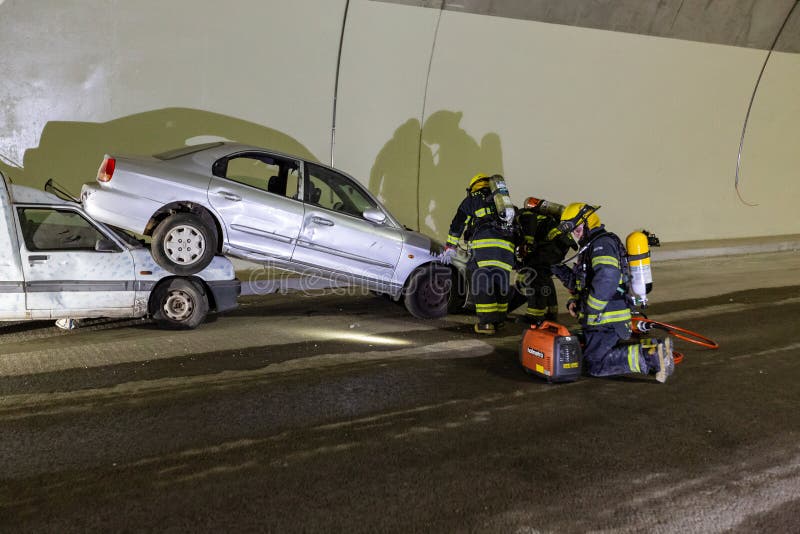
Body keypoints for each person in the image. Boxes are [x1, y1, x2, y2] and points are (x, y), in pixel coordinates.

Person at [552, 202, 674, 383]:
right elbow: (581, 283)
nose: (574, 235)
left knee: (594, 364)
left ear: (588, 223)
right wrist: (556, 269)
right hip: (603, 319)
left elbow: (608, 277)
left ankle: (653, 356)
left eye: (576, 229)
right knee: (586, 352)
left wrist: (589, 308)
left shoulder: (602, 243)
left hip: (608, 320)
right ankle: (653, 350)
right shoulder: (590, 246)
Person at [443, 173, 516, 335]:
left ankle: (487, 324)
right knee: (500, 285)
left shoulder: (472, 199)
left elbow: (457, 224)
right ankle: (499, 321)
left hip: (485, 248)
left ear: (473, 187)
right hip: (506, 251)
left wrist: (450, 246)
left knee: (482, 283)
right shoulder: (502, 201)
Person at [515, 197, 574, 324]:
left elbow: (529, 229)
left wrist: (528, 244)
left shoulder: (522, 214)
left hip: (549, 247)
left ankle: (534, 316)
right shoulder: (546, 216)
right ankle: (551, 311)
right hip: (560, 245)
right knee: (544, 276)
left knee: (535, 277)